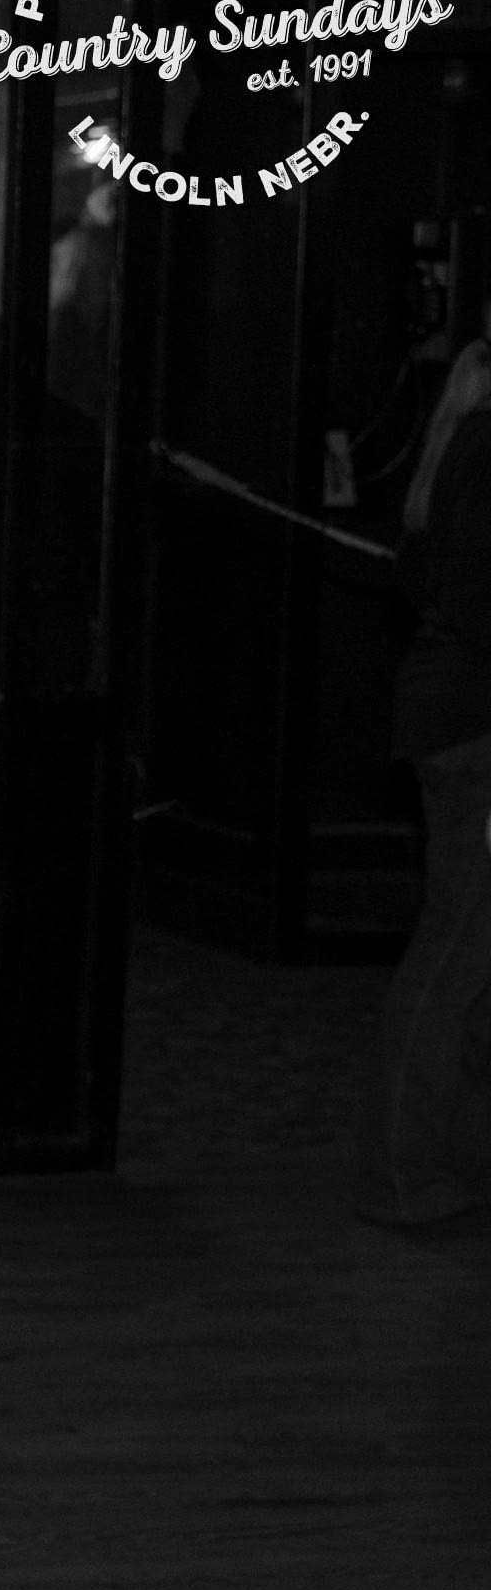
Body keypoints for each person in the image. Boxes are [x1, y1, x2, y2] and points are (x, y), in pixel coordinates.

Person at [361, 317, 491, 1223]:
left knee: (471, 952)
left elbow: (419, 576)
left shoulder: (462, 433)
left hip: (454, 721)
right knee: (457, 951)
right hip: (476, 728)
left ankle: (449, 1162)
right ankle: (406, 1176)